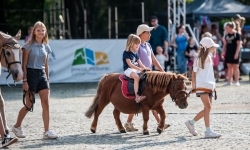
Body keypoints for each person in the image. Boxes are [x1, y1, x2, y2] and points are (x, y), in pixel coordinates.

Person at [12, 21, 58, 139]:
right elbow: (24, 65)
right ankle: (17, 126)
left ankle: (47, 131)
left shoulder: (46, 46)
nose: (41, 32)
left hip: (42, 74)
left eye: (43, 30)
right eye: (38, 30)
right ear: (34, 32)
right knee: (29, 104)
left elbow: (46, 65)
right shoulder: (28, 46)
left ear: (45, 32)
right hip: (31, 74)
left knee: (46, 104)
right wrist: (25, 81)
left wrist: (47, 80)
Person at [124, 24, 169, 132]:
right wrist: (141, 70)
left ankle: (129, 123)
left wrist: (162, 70)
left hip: (149, 75)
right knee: (150, 99)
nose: (150, 34)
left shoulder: (148, 45)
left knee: (152, 99)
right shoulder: (137, 46)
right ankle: (159, 122)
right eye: (147, 32)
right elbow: (135, 61)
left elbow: (153, 59)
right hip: (140, 75)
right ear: (141, 34)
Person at [185, 37, 221, 138]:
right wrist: (193, 86)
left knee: (207, 108)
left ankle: (191, 123)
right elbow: (194, 73)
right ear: (207, 48)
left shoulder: (209, 57)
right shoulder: (199, 59)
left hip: (209, 85)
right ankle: (207, 131)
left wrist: (213, 86)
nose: (214, 48)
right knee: (208, 107)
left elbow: (210, 74)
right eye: (212, 47)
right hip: (202, 86)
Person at [123, 34, 149, 103]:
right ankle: (137, 96)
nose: (138, 45)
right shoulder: (126, 53)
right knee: (136, 77)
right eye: (136, 43)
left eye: (139, 43)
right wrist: (139, 69)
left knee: (145, 76)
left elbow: (140, 63)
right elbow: (130, 64)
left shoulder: (136, 53)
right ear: (131, 43)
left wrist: (145, 68)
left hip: (135, 69)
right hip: (128, 70)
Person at [222, 22, 241, 86]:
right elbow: (225, 44)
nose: (226, 29)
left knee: (235, 67)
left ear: (231, 27)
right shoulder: (226, 35)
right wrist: (223, 52)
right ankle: (229, 81)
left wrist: (236, 53)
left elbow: (239, 45)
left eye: (227, 28)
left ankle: (237, 81)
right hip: (229, 52)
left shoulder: (237, 34)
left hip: (235, 52)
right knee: (229, 67)